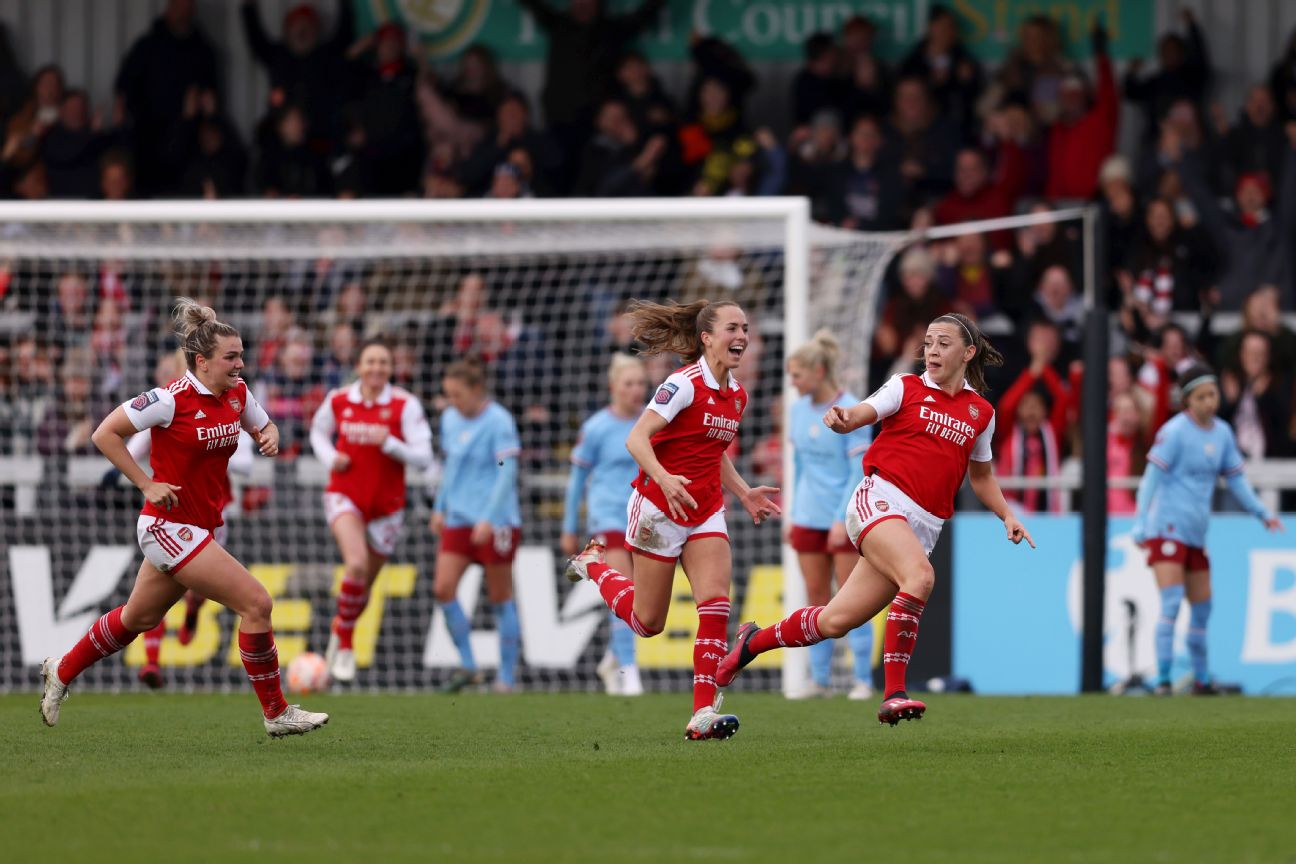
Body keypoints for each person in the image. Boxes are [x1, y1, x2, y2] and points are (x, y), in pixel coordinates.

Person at [716, 313, 1033, 725]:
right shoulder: (905, 387)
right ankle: (894, 693)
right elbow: (862, 412)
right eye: (929, 342)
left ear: (968, 353)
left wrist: (1006, 515)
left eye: (943, 343)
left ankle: (751, 643)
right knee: (920, 578)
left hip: (923, 527)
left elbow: (982, 474)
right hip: (879, 501)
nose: (932, 351)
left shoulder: (981, 413)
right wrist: (843, 418)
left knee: (834, 621)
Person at [39, 298, 327, 737]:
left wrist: (268, 435)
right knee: (257, 603)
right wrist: (145, 483)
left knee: (137, 619)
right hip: (167, 527)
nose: (240, 364)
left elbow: (265, 426)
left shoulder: (238, 393)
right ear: (201, 361)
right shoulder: (168, 399)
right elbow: (105, 433)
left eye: (242, 355)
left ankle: (62, 669)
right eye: (231, 357)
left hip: (198, 525)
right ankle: (276, 713)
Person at [565, 299, 779, 741]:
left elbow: (711, 450)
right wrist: (663, 478)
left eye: (745, 328)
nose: (741, 337)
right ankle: (594, 566)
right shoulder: (681, 384)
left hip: (704, 511)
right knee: (648, 623)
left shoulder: (737, 394)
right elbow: (636, 438)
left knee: (716, 605)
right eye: (732, 329)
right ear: (707, 338)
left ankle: (702, 714)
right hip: (659, 508)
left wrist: (743, 492)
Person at [1132, 364, 1282, 695]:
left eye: (1212, 394)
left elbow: (1237, 480)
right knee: (1171, 602)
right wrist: (1141, 522)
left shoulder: (1223, 433)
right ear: (1187, 400)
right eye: (1201, 396)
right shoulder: (1174, 433)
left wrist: (1261, 512)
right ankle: (1164, 679)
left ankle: (1201, 680)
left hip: (1196, 533)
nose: (1209, 402)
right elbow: (1151, 479)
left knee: (1202, 608)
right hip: (1167, 527)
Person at [311, 339, 434, 683]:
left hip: (387, 507)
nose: (377, 368)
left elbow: (424, 458)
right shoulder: (338, 400)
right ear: (360, 366)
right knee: (356, 564)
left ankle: (341, 628)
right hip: (344, 495)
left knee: (363, 586)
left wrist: (391, 444)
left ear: (391, 368)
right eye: (371, 361)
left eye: (383, 362)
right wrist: (330, 458)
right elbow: (318, 433)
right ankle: (347, 644)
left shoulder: (404, 405)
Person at [785, 331, 876, 699]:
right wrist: (792, 514)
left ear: (819, 371)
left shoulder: (851, 409)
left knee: (854, 599)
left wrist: (842, 518)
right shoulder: (795, 412)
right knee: (816, 598)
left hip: (844, 518)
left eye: (797, 375)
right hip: (808, 516)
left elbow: (858, 471)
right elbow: (798, 466)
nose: (793, 383)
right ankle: (819, 680)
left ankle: (862, 681)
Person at [429, 359, 523, 693]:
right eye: (448, 395)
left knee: (500, 596)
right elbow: (450, 467)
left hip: (495, 522)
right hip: (457, 518)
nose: (452, 401)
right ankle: (469, 665)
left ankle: (506, 678)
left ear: (476, 390)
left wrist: (490, 517)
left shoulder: (498, 421)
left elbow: (506, 472)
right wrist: (440, 506)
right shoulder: (451, 419)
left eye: (457, 395)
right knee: (443, 588)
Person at [560, 354, 648, 696]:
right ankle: (630, 672)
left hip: (642, 518)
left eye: (641, 383)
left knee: (644, 600)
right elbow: (576, 479)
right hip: (608, 518)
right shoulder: (596, 427)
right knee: (625, 588)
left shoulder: (652, 422)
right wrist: (569, 525)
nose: (636, 390)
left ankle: (613, 659)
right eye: (629, 383)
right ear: (613, 387)